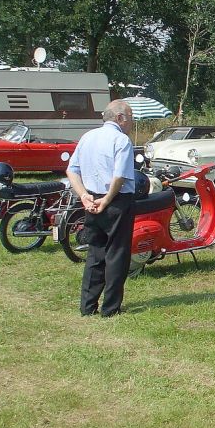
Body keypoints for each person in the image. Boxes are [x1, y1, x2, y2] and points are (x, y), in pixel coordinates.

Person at [66, 100, 136, 317]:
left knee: (96, 252)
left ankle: (87, 306)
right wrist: (106, 200)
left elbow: (71, 170)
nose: (132, 123)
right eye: (131, 118)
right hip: (115, 201)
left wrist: (84, 196)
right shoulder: (121, 140)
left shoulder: (88, 136)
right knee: (117, 254)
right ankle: (110, 308)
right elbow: (120, 176)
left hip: (91, 200)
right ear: (120, 118)